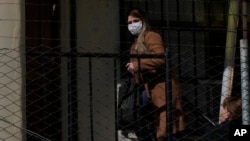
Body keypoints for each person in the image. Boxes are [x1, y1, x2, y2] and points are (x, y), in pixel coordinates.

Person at [125, 8, 185, 141]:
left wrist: (137, 66)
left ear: (143, 21)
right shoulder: (136, 42)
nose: (132, 25)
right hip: (147, 88)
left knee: (166, 129)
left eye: (136, 21)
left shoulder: (151, 36)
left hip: (161, 87)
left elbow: (160, 58)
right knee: (146, 124)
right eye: (130, 22)